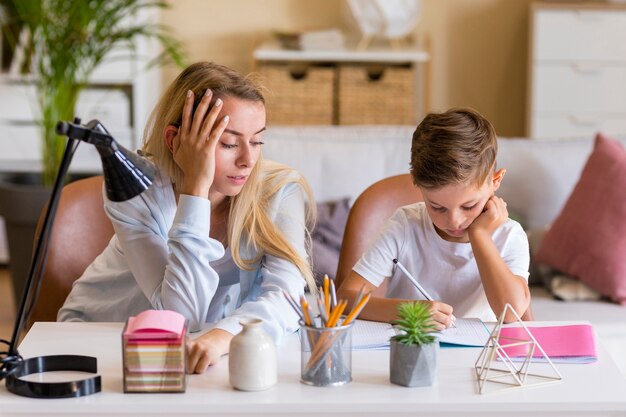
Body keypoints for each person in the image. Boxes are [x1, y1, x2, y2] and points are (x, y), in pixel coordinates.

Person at [58, 62, 317, 373]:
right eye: (229, 143)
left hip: (196, 348)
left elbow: (286, 299)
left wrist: (224, 336)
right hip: (99, 338)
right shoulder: (137, 190)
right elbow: (181, 315)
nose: (248, 159)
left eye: (257, 141)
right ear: (174, 140)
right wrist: (197, 188)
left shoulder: (279, 190)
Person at [337, 107, 530, 329]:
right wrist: (411, 311)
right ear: (419, 187)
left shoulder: (509, 235)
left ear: (496, 181)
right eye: (437, 207)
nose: (454, 221)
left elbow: (511, 313)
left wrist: (480, 235)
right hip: (412, 349)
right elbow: (344, 299)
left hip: (478, 358)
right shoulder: (405, 226)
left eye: (469, 206)